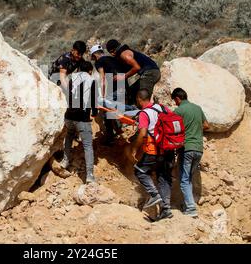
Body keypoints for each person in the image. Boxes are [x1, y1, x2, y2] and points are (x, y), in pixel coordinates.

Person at [132, 89, 175, 221]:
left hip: (153, 150)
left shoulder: (144, 113)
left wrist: (134, 149)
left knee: (139, 171)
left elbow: (143, 133)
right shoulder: (163, 108)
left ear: (139, 99)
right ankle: (166, 209)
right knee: (163, 177)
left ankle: (154, 194)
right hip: (169, 149)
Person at [171, 88, 210, 218]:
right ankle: (188, 204)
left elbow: (174, 129)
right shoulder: (197, 108)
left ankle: (191, 208)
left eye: (175, 101)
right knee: (189, 178)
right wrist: (195, 128)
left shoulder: (179, 110)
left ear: (177, 99)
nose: (176, 104)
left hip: (186, 148)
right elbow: (206, 125)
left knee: (184, 179)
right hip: (199, 148)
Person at [60, 61, 98, 184]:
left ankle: (65, 161)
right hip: (82, 118)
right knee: (87, 146)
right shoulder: (92, 81)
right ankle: (90, 176)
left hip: (69, 116)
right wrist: (95, 112)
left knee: (69, 136)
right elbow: (94, 101)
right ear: (90, 71)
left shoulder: (72, 79)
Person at [90, 44, 127, 145]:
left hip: (115, 89)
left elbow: (102, 78)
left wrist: (102, 96)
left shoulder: (99, 62)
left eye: (93, 57)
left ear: (95, 55)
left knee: (106, 111)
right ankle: (119, 129)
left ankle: (110, 138)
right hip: (124, 86)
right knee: (115, 108)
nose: (93, 60)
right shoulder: (112, 59)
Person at [106, 39, 160, 104]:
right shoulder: (124, 53)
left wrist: (123, 76)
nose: (112, 54)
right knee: (132, 92)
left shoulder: (124, 54)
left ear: (114, 50)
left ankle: (146, 111)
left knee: (143, 96)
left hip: (150, 72)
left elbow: (137, 67)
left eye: (111, 52)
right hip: (150, 72)